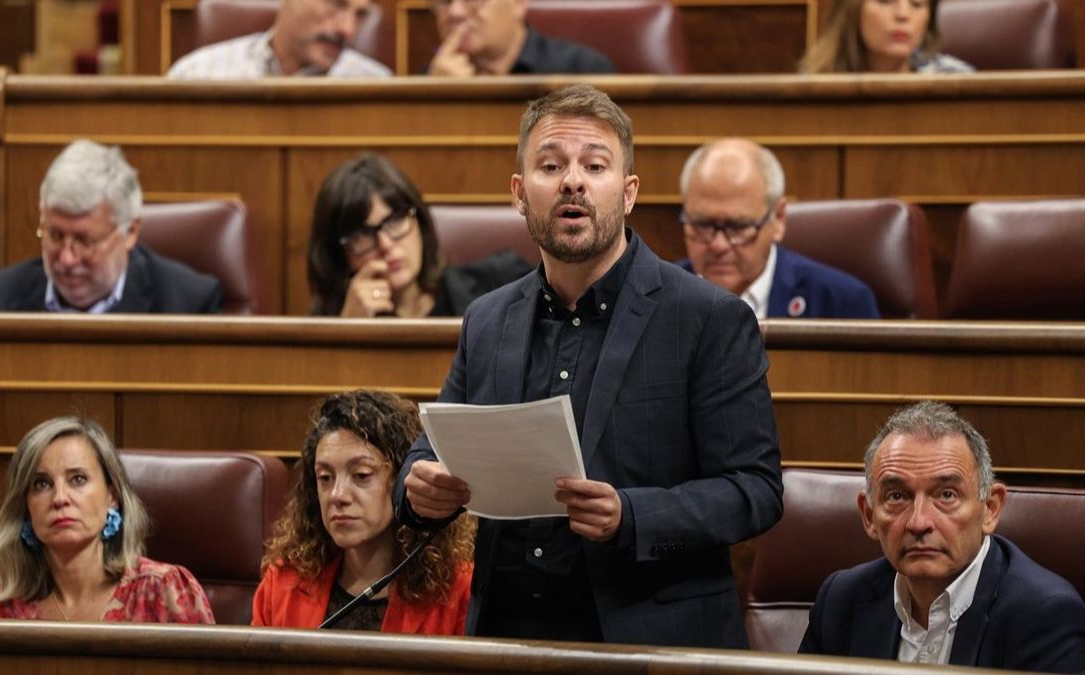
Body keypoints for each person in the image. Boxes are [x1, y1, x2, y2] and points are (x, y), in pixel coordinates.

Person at [394, 84, 783, 647]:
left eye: (594, 165)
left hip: (651, 642)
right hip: (507, 641)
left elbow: (756, 492)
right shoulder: (487, 319)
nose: (572, 180)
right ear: (520, 193)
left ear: (627, 194)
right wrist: (418, 489)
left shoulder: (708, 318)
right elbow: (432, 452)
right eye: (550, 165)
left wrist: (633, 516)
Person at [800, 401, 1085, 672]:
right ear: (869, 516)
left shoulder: (1045, 616)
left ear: (990, 509)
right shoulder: (841, 601)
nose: (919, 522)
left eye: (946, 495)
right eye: (897, 496)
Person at [0, 417, 215, 623]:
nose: (59, 498)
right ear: (25, 505)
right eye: (41, 484)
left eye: (78, 479)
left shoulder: (163, 592)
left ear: (112, 496)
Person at [252, 390, 474, 633]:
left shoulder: (458, 589)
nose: (338, 495)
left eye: (361, 476)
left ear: (402, 479)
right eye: (325, 478)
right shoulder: (283, 583)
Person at [0, 140, 222, 314]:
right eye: (55, 235)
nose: (66, 258)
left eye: (85, 241)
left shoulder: (189, 304)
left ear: (130, 232)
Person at [677, 138, 880, 319]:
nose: (718, 245)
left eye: (738, 227)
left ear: (779, 219)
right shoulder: (652, 297)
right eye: (702, 225)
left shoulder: (841, 303)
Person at [308, 153, 530, 317]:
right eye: (362, 235)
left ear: (418, 222)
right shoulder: (328, 324)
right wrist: (346, 333)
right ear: (338, 255)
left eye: (394, 220)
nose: (385, 244)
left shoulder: (501, 282)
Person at [167, 0, 390, 79]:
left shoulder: (380, 91)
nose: (348, 29)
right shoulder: (195, 76)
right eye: (335, 3)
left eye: (360, 15)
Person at [428, 0, 614, 76]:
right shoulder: (429, 80)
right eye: (444, 0)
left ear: (519, 3)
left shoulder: (583, 72)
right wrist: (438, 95)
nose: (454, 11)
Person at [800, 0, 973, 74]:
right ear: (851, 11)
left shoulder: (955, 81)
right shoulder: (813, 86)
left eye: (916, 3)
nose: (903, 14)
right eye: (885, 1)